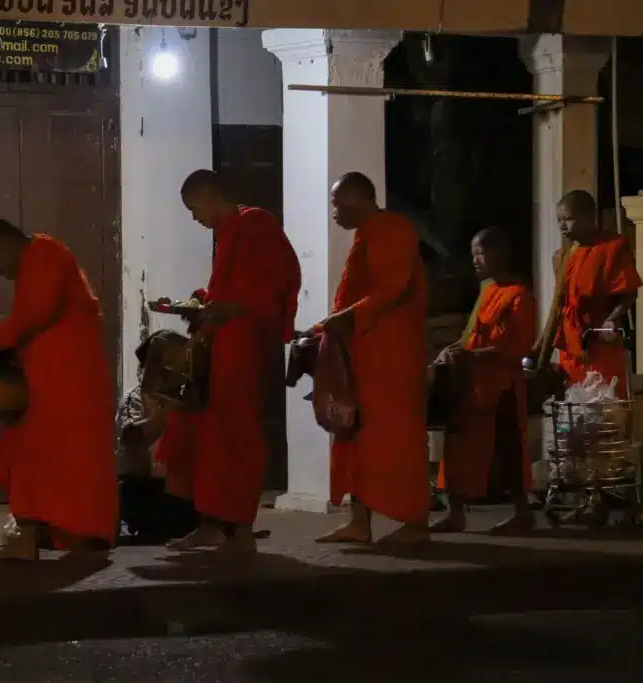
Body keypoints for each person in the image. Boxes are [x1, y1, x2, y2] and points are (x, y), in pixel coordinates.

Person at [155, 169, 301, 552]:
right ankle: (214, 524)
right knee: (204, 434)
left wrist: (225, 308)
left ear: (209, 195)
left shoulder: (256, 223)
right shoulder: (228, 233)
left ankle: (236, 528)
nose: (194, 217)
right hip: (219, 344)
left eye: (193, 208)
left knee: (234, 436)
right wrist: (201, 302)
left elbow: (277, 285)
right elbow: (231, 290)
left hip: (242, 348)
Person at [0, 219, 117, 561]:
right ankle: (63, 534)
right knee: (51, 456)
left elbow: (38, 310)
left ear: (2, 245)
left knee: (44, 454)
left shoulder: (44, 254)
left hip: (65, 380)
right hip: (53, 378)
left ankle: (47, 537)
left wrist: (0, 338)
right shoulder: (40, 258)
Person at [314, 172, 430, 545]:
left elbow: (393, 289)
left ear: (357, 199)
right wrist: (322, 329)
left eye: (337, 204)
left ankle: (414, 524)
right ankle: (358, 522)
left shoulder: (391, 229)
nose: (334, 213)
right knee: (354, 434)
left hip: (390, 355)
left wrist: (344, 319)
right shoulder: (368, 233)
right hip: (362, 354)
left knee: (395, 439)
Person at [430, 228, 538, 534]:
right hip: (469, 384)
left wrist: (473, 356)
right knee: (457, 448)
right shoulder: (487, 290)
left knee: (506, 450)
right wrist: (453, 350)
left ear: (501, 255)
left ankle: (521, 513)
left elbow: (517, 347)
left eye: (481, 253)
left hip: (501, 385)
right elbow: (471, 336)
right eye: (473, 254)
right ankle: (455, 513)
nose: (475, 260)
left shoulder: (519, 295)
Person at [533, 190, 642, 398]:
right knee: (573, 407)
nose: (562, 226)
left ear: (589, 217)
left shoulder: (613, 247)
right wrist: (540, 348)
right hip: (571, 344)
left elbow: (629, 292)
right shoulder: (562, 257)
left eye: (569, 219)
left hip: (599, 339)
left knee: (604, 407)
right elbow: (558, 306)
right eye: (559, 220)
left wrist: (613, 318)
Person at [117, 332, 199, 543]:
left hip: (179, 492)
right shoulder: (135, 397)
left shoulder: (189, 398)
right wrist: (162, 416)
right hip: (145, 489)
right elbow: (131, 438)